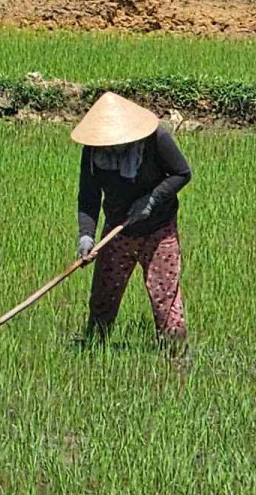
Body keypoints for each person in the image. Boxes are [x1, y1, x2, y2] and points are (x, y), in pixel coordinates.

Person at [73, 91, 191, 350]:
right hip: (118, 229)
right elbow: (89, 196)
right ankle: (95, 348)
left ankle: (175, 352)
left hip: (159, 229)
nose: (111, 146)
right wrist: (87, 236)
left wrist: (151, 199)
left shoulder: (156, 139)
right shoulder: (93, 152)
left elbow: (182, 173)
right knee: (104, 294)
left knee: (165, 296)